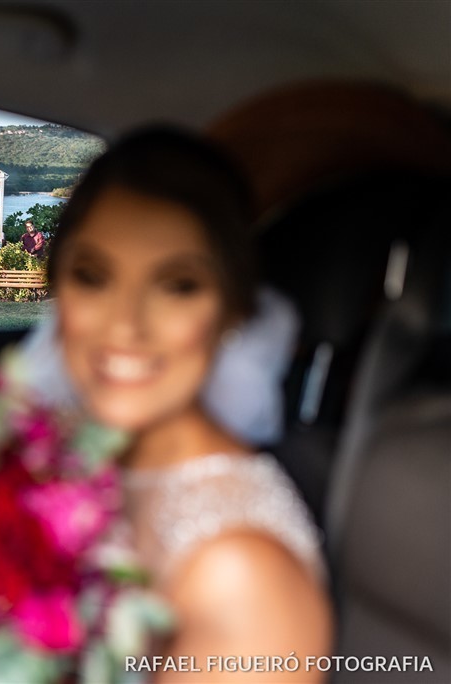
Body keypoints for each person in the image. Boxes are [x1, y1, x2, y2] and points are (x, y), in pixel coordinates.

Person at [47, 125, 332, 677]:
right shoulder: (64, 462)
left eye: (178, 285)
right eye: (92, 276)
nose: (125, 326)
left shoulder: (241, 576)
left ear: (231, 310)